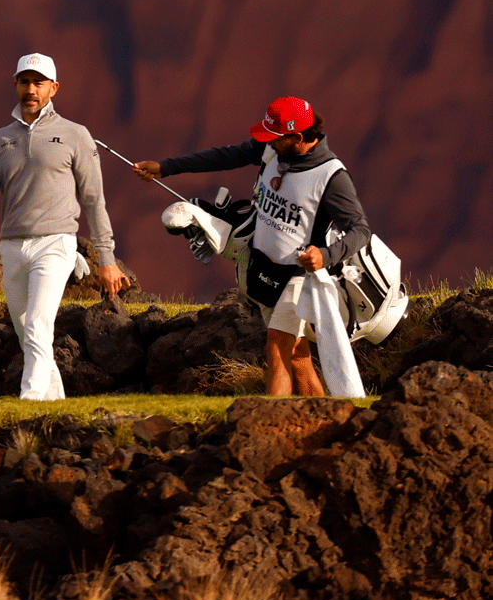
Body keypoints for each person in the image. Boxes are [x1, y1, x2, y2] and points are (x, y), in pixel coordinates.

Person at [133, 96, 371, 397]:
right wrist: (166, 168)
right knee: (297, 356)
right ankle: (325, 421)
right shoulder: (273, 150)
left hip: (298, 278)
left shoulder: (332, 176)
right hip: (262, 269)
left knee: (277, 346)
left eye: (275, 137)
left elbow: (360, 229)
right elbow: (225, 156)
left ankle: (268, 428)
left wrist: (324, 255)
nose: (267, 142)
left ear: (298, 136)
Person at [0, 53, 128, 400]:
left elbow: (93, 200)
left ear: (53, 88)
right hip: (12, 246)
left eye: (39, 82)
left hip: (56, 244)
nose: (31, 89)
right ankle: (54, 405)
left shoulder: (75, 135)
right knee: (29, 332)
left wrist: (107, 257)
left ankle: (28, 402)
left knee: (39, 326)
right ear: (16, 85)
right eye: (25, 81)